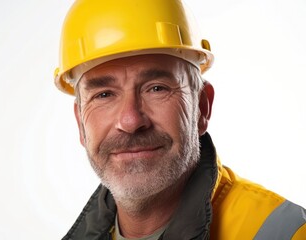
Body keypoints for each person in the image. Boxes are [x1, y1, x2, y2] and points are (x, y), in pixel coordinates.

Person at [53, 0, 306, 239]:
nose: (131, 121)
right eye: (104, 95)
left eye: (157, 88)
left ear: (202, 108)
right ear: (80, 124)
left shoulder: (284, 232)